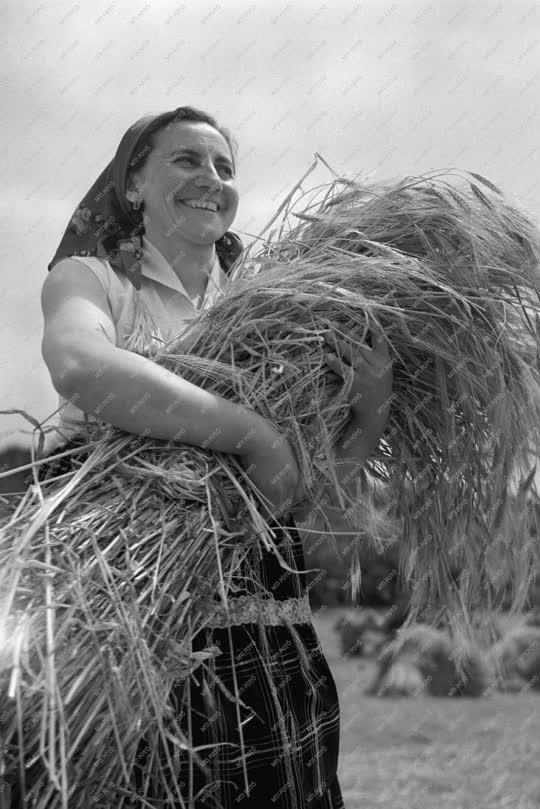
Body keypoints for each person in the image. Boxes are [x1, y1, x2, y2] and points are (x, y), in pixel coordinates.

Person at [4, 106, 392, 808]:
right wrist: (252, 432)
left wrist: (370, 413)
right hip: (127, 632)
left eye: (225, 167)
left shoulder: (272, 311)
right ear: (132, 186)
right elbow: (81, 364)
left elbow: (313, 511)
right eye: (185, 160)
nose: (211, 178)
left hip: (267, 648)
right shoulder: (93, 281)